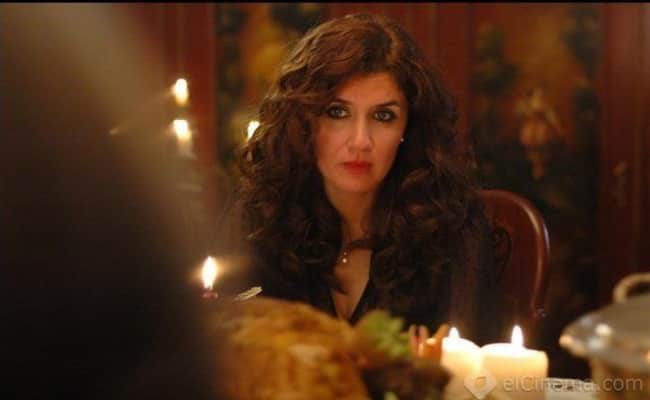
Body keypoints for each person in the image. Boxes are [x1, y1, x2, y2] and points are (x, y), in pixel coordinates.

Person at [217, 13, 503, 345]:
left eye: (383, 116)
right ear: (303, 121)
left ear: (408, 128)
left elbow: (471, 367)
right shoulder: (261, 215)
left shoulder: (453, 225)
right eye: (337, 112)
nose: (360, 141)